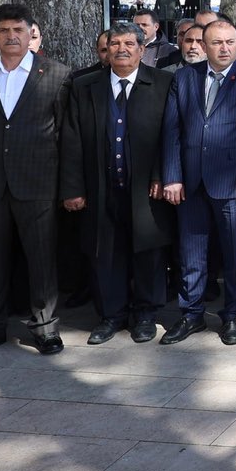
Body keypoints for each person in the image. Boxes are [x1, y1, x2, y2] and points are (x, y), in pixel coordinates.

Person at [0, 2, 71, 359]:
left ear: (30, 32)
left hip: (38, 185)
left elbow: (68, 137)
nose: (10, 36)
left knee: (41, 261)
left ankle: (45, 329)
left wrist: (69, 188)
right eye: (3, 30)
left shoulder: (56, 74)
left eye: (17, 30)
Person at [61, 23, 174, 345]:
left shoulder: (164, 83)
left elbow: (172, 135)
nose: (122, 49)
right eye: (115, 44)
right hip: (100, 186)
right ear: (106, 50)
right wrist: (73, 188)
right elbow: (71, 140)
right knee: (105, 253)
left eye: (129, 43)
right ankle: (111, 315)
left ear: (141, 49)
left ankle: (146, 315)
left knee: (148, 252)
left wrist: (160, 175)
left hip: (146, 188)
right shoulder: (84, 87)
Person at [159, 18, 236, 345]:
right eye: (217, 43)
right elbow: (171, 131)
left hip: (233, 185)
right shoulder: (184, 77)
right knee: (191, 252)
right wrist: (172, 176)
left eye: (230, 42)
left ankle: (232, 315)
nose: (224, 48)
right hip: (190, 182)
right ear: (203, 46)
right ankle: (191, 314)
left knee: (234, 254)